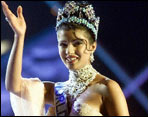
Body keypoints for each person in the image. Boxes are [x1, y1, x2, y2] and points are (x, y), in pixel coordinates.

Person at [1, 1, 129, 116]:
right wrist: (19, 35)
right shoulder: (57, 91)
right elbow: (14, 86)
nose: (69, 51)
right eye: (63, 44)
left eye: (77, 43)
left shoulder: (107, 88)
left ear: (92, 46)